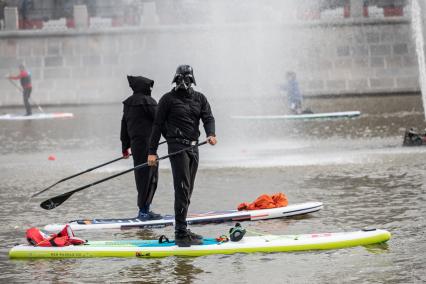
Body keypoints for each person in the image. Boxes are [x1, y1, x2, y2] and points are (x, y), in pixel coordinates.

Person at [147, 65, 217, 247]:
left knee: (188, 189)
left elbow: (208, 118)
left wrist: (211, 134)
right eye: (180, 79)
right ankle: (180, 233)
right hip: (177, 147)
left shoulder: (200, 98)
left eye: (186, 79)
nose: (183, 83)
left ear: (192, 80)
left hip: (194, 148)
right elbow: (157, 125)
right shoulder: (167, 100)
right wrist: (152, 152)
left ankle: (183, 226)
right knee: (182, 187)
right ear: (175, 79)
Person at [120, 75, 162, 221]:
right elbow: (160, 121)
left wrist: (125, 147)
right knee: (151, 178)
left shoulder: (128, 103)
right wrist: (173, 138)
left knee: (141, 177)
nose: (150, 89)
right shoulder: (148, 102)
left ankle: (144, 209)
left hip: (136, 146)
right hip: (149, 147)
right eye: (149, 86)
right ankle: (144, 211)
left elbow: (124, 125)